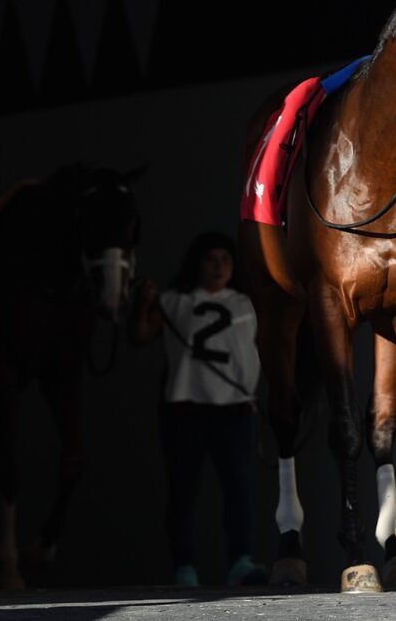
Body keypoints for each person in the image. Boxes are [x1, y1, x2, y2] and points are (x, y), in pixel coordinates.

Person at [129, 231, 268, 588]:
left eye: (225, 259)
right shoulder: (173, 301)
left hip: (234, 409)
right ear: (197, 263)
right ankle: (184, 567)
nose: (218, 266)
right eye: (211, 258)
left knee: (238, 490)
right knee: (183, 492)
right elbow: (140, 335)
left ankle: (240, 560)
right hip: (185, 409)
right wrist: (144, 303)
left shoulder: (248, 304)